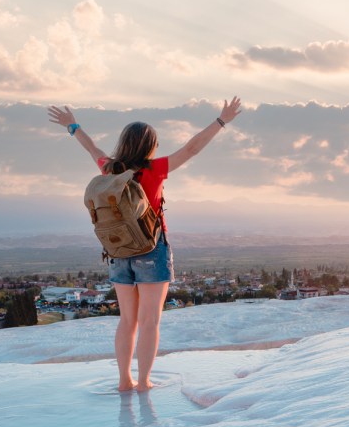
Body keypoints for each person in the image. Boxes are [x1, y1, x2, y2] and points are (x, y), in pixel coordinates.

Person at [47, 98, 242, 392]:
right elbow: (192, 148)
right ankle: (144, 382)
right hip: (151, 249)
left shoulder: (109, 169)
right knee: (150, 321)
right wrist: (221, 120)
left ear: (124, 143)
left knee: (128, 320)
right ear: (150, 145)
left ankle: (124, 380)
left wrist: (72, 125)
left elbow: (93, 149)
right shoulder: (155, 169)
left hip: (117, 252)